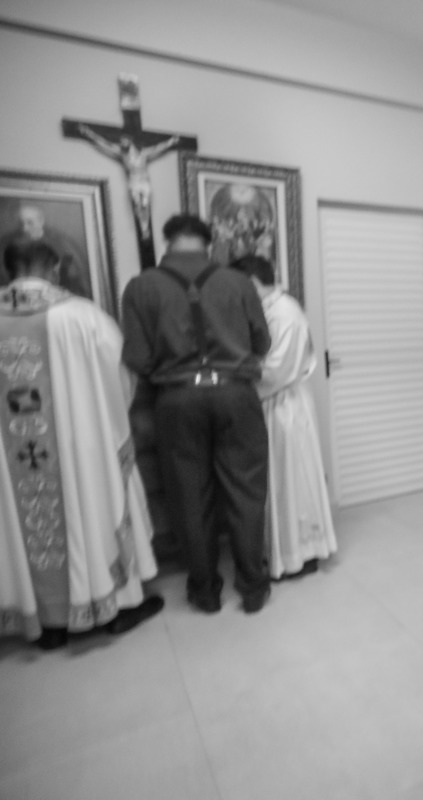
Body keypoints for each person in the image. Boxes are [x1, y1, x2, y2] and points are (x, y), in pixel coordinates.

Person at [0, 238, 162, 650]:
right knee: (89, 506)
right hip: (78, 447)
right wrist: (106, 422)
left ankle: (44, 621)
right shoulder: (80, 316)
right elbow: (119, 372)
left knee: (18, 523)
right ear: (52, 268)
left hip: (11, 457)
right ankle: (109, 606)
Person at [121, 214, 272, 614]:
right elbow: (262, 342)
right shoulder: (238, 282)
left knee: (188, 495)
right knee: (246, 491)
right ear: (209, 244)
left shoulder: (141, 287)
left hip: (177, 399)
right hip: (236, 394)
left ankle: (205, 591)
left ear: (168, 241)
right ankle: (253, 587)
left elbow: (136, 358)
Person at [230, 254, 336, 580]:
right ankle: (281, 551)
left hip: (285, 405)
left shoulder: (285, 312)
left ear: (252, 282)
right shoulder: (268, 309)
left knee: (291, 480)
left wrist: (237, 375)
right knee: (278, 481)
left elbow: (276, 371)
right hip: (273, 404)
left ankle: (299, 555)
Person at [76, 123, 179, 240]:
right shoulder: (122, 154)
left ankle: (145, 226)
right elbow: (104, 143)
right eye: (121, 142)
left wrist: (171, 141)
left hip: (144, 182)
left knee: (145, 205)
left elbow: (158, 148)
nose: (122, 144)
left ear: (130, 142)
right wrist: (89, 133)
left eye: (124, 141)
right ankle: (144, 229)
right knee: (137, 205)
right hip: (133, 182)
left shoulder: (143, 154)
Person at [0, 203, 91, 297]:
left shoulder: (62, 244)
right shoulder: (5, 242)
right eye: (21, 223)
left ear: (41, 221)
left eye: (30, 222)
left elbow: (72, 275)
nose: (24, 228)